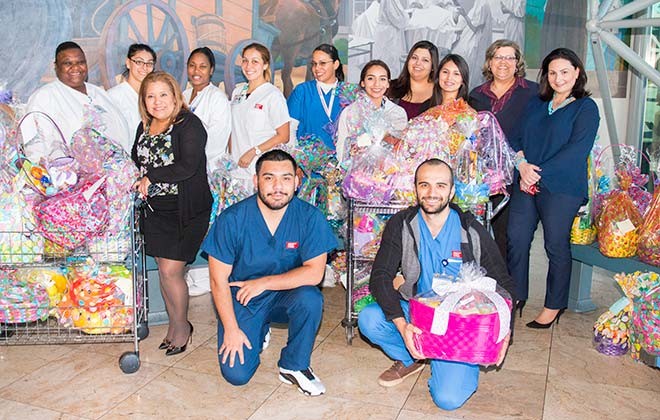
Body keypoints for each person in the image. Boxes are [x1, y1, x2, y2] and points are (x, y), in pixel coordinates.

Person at [358, 159, 514, 410]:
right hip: (416, 315)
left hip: (459, 325)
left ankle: (441, 361)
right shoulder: (402, 224)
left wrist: (504, 333)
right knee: (369, 319)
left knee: (448, 400)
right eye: (425, 185)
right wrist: (402, 325)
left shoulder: (470, 229)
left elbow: (504, 284)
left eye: (440, 185)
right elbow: (380, 276)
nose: (432, 193)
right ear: (416, 189)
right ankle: (410, 355)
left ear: (452, 191)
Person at [202, 149, 337, 396]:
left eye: (286, 178)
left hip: (287, 294)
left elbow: (314, 274)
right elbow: (217, 279)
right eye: (269, 178)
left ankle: (294, 366)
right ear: (256, 181)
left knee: (311, 298)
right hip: (243, 297)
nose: (278, 186)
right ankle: (259, 328)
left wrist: (264, 282)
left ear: (297, 182)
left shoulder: (310, 218)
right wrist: (231, 329)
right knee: (237, 375)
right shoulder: (232, 219)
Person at [506, 48, 599, 327]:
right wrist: (522, 165)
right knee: (516, 239)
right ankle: (516, 296)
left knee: (555, 245)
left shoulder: (585, 107)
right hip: (526, 179)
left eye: (565, 72)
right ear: (546, 75)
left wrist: (537, 173)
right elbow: (515, 137)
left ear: (577, 73)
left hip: (562, 186)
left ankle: (554, 305)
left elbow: (577, 150)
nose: (559, 78)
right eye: (553, 73)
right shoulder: (537, 103)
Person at [132, 71, 212, 356]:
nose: (157, 101)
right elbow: (137, 158)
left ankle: (181, 328)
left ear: (175, 96)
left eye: (163, 94)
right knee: (166, 275)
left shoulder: (189, 124)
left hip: (185, 210)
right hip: (156, 211)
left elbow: (188, 166)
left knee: (171, 271)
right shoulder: (145, 126)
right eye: (150, 96)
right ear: (144, 100)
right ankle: (174, 326)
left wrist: (150, 177)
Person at [468, 39, 538, 260]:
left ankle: (511, 289)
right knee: (483, 233)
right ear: (489, 62)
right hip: (485, 176)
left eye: (510, 57)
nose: (504, 62)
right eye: (498, 57)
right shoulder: (476, 95)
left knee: (513, 236)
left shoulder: (533, 93)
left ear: (518, 63)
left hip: (519, 175)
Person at [24, 41, 131, 159]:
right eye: (67, 63)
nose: (75, 68)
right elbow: (34, 146)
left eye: (80, 62)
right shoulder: (44, 97)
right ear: (56, 67)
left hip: (117, 170)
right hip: (69, 174)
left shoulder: (98, 93)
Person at [229, 43, 290, 190]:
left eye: (255, 61)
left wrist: (254, 151)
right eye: (245, 60)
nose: (248, 66)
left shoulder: (273, 95)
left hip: (259, 169)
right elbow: (234, 128)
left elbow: (284, 135)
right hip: (236, 171)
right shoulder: (237, 92)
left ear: (265, 65)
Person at [335, 59, 407, 164]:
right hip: (356, 174)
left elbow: (400, 147)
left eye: (382, 79)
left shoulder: (397, 113)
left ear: (388, 83)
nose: (376, 84)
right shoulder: (350, 112)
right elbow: (341, 147)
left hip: (388, 173)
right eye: (370, 78)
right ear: (362, 83)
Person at [288, 44, 346, 150]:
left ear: (335, 64)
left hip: (341, 162)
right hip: (307, 161)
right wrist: (295, 159)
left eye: (322, 63)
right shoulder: (302, 91)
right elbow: (290, 128)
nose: (317, 68)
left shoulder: (348, 93)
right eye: (314, 64)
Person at [183, 47, 231, 171]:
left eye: (202, 66)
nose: (196, 71)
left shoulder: (217, 98)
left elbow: (217, 140)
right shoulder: (184, 96)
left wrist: (190, 158)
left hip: (208, 167)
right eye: (192, 65)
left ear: (211, 70)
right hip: (185, 165)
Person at [107, 43, 157, 136]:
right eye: (139, 62)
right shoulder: (113, 97)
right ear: (128, 63)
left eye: (149, 63)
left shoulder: (154, 96)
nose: (144, 67)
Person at [388, 40, 440, 120]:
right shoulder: (391, 87)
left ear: (432, 67)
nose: (418, 63)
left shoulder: (439, 94)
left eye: (425, 60)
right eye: (414, 58)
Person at [453, 0, 492, 89]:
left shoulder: (482, 4)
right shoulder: (478, 4)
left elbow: (474, 27)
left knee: (470, 70)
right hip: (469, 40)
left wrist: (464, 14)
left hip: (474, 42)